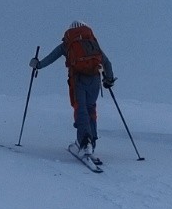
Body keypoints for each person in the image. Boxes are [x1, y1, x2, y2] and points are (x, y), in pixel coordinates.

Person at [31, 20, 115, 163]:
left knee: (80, 109)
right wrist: (109, 79)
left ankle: (84, 142)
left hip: (78, 80)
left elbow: (52, 57)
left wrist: (37, 65)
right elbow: (107, 62)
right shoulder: (92, 42)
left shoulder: (68, 44)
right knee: (91, 109)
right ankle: (91, 142)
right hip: (94, 79)